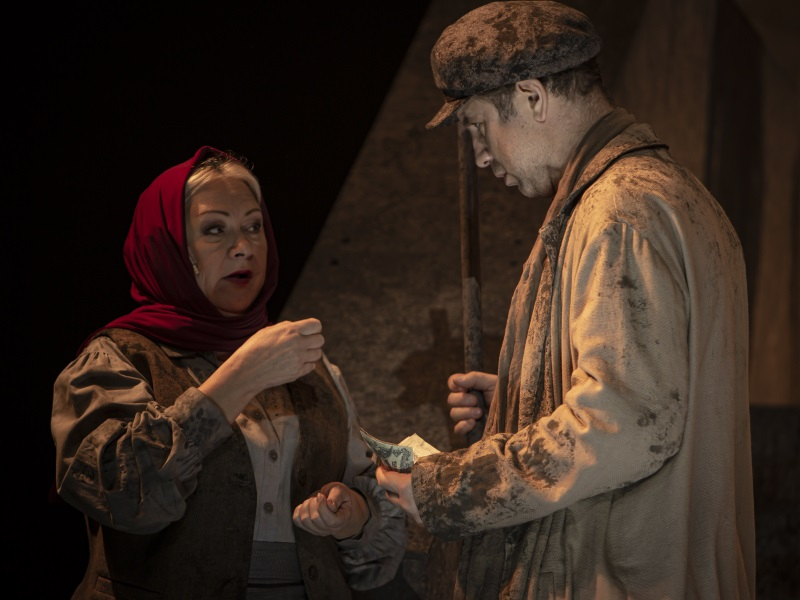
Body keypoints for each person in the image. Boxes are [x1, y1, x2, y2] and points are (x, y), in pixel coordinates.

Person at [375, 2, 756, 598]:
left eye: (477, 125)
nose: (479, 154)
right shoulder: (672, 195)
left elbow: (625, 420)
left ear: (531, 97)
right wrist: (528, 397)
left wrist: (455, 487)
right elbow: (658, 389)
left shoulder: (618, 212)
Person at [51, 146, 408, 600]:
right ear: (169, 248)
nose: (244, 247)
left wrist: (355, 516)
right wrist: (241, 375)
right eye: (214, 229)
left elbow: (381, 535)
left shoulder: (310, 365)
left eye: (254, 227)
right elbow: (121, 495)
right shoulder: (120, 357)